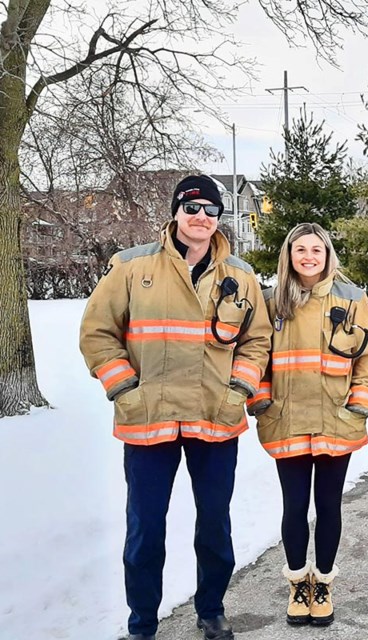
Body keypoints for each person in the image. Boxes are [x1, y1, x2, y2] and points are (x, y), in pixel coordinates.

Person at [79, 175, 272, 640]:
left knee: (215, 525)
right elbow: (97, 333)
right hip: (149, 420)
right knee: (145, 530)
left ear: (219, 218)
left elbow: (257, 341)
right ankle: (142, 623)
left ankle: (211, 609)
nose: (201, 217)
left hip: (214, 418)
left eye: (210, 210)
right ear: (175, 212)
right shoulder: (130, 267)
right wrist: (125, 389)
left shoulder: (240, 276)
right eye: (192, 208)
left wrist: (237, 392)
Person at [247, 223, 368, 627]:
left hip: (335, 421)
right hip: (285, 421)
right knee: (294, 506)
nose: (309, 256)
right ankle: (297, 583)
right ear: (289, 255)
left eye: (316, 250)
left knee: (328, 506)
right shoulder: (271, 302)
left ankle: (322, 582)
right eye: (300, 249)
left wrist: (357, 408)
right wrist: (261, 402)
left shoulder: (353, 299)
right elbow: (253, 355)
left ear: (328, 256)